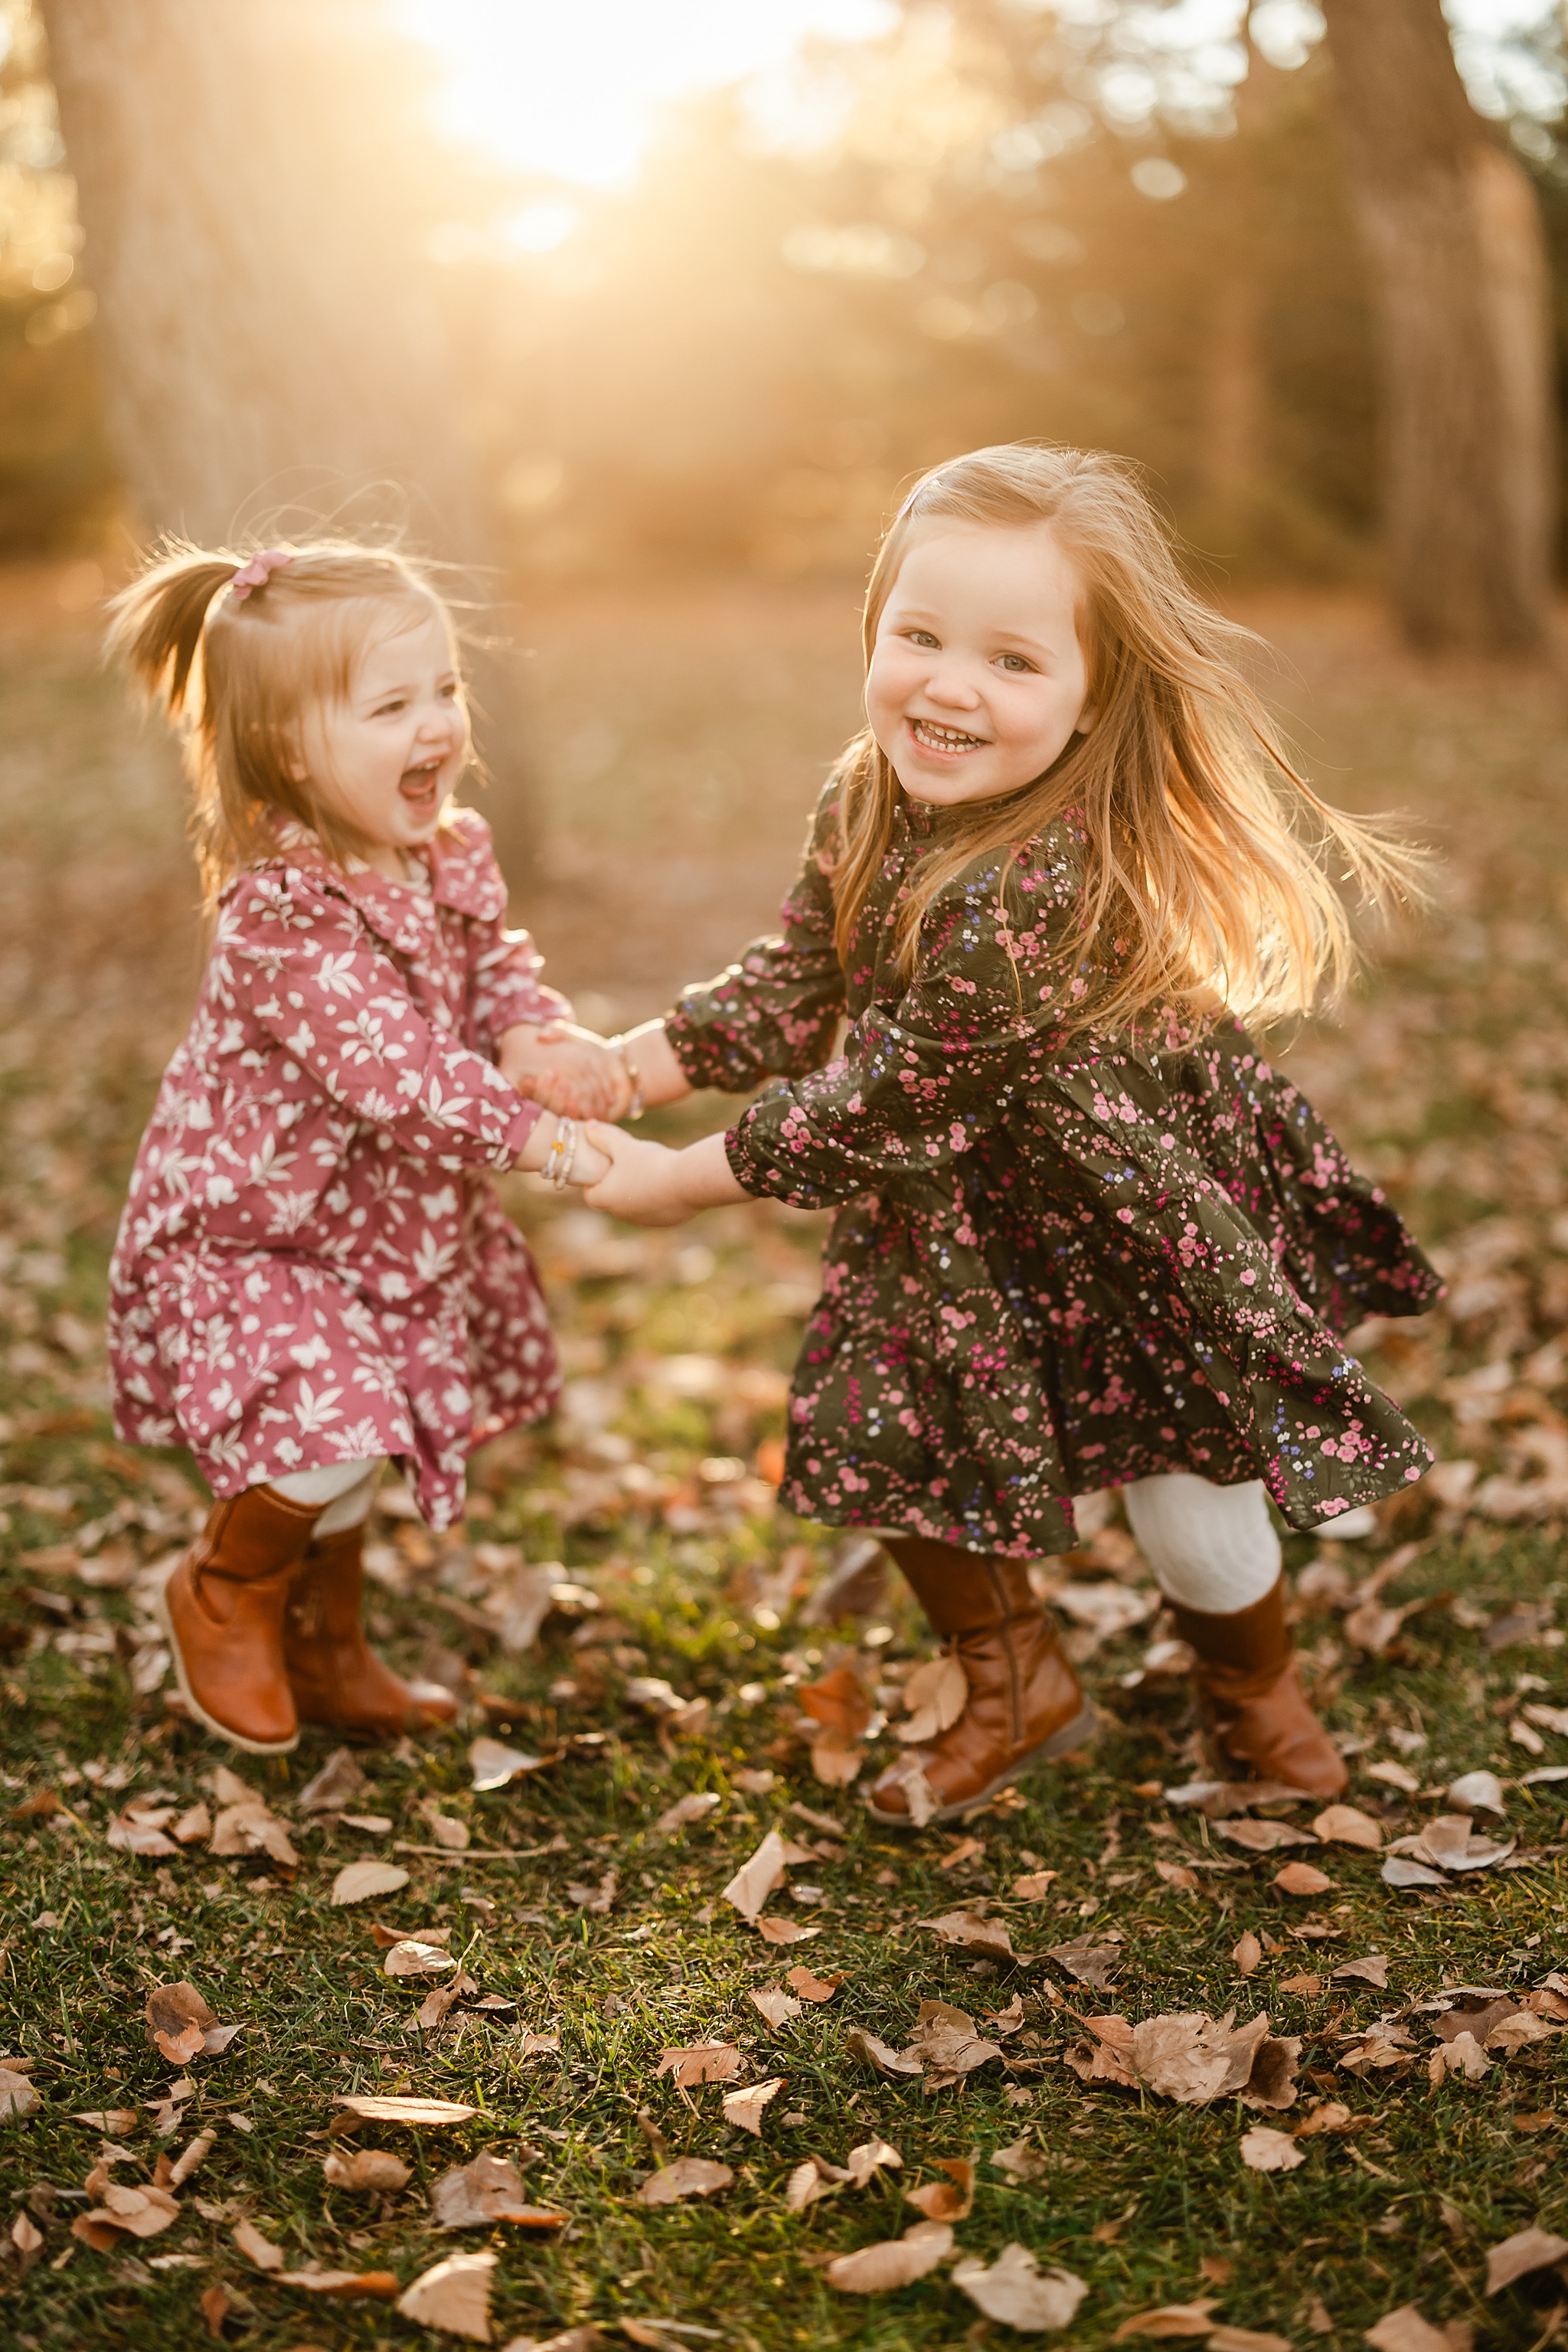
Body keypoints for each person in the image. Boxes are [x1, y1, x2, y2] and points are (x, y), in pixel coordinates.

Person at [580, 443, 1442, 1824]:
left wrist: (683, 1182)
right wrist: (629, 1066)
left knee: (1193, 1511)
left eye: (1013, 661)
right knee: (898, 1429)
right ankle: (1016, 1677)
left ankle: (1252, 1684)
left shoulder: (1049, 869)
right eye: (918, 636)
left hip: (1120, 1212)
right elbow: (801, 973)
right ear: (875, 627)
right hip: (950, 1219)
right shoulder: (865, 789)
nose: (949, 686)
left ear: (1095, 695)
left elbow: (900, 1088)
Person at [106, 540, 615, 1756]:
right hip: (255, 1233)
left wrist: (532, 1030)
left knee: (365, 1435)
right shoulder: (281, 912)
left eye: (442, 689)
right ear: (286, 751)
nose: (436, 723)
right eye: (391, 706)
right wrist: (546, 1141)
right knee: (329, 1429)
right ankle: (224, 1590)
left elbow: (491, 965)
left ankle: (329, 1651)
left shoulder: (444, 852)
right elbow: (401, 1075)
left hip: (381, 1230)